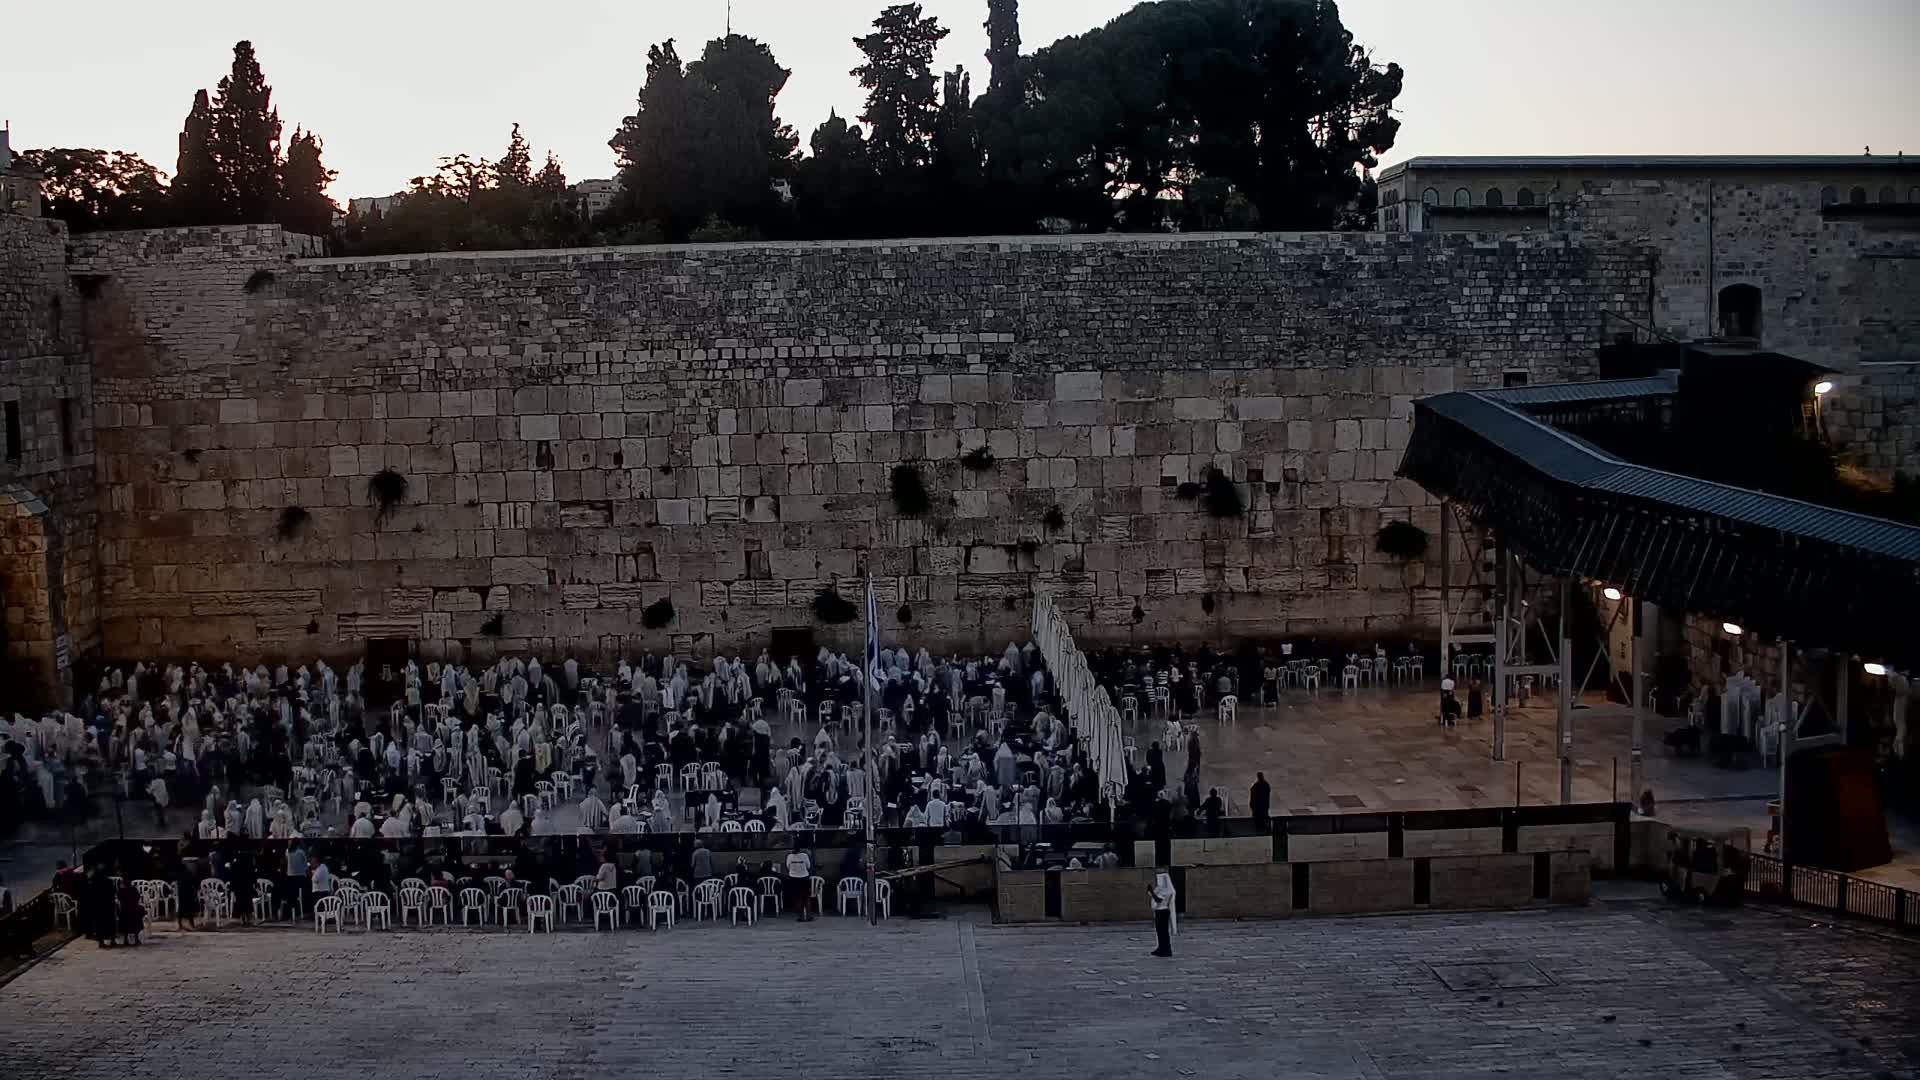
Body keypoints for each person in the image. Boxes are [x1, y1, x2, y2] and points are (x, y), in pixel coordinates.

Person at [1149, 869, 1177, 957]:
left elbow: (1158, 900)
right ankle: (1161, 948)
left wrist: (1151, 892)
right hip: (1160, 911)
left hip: (1162, 911)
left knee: (1163, 932)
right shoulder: (1164, 889)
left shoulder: (1165, 890)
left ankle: (1166, 950)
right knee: (1160, 932)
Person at [784, 843, 814, 921]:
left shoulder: (789, 856)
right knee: (807, 897)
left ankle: (800, 916)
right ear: (800, 849)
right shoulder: (805, 855)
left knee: (797, 898)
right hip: (804, 878)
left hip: (793, 878)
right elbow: (808, 866)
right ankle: (809, 916)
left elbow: (788, 866)